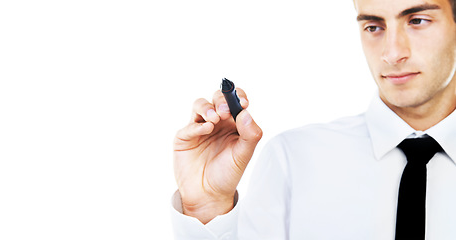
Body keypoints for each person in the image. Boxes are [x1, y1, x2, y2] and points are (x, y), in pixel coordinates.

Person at [171, 0, 456, 239]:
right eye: (374, 27)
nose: (392, 54)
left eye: (418, 21)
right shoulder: (292, 160)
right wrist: (206, 209)